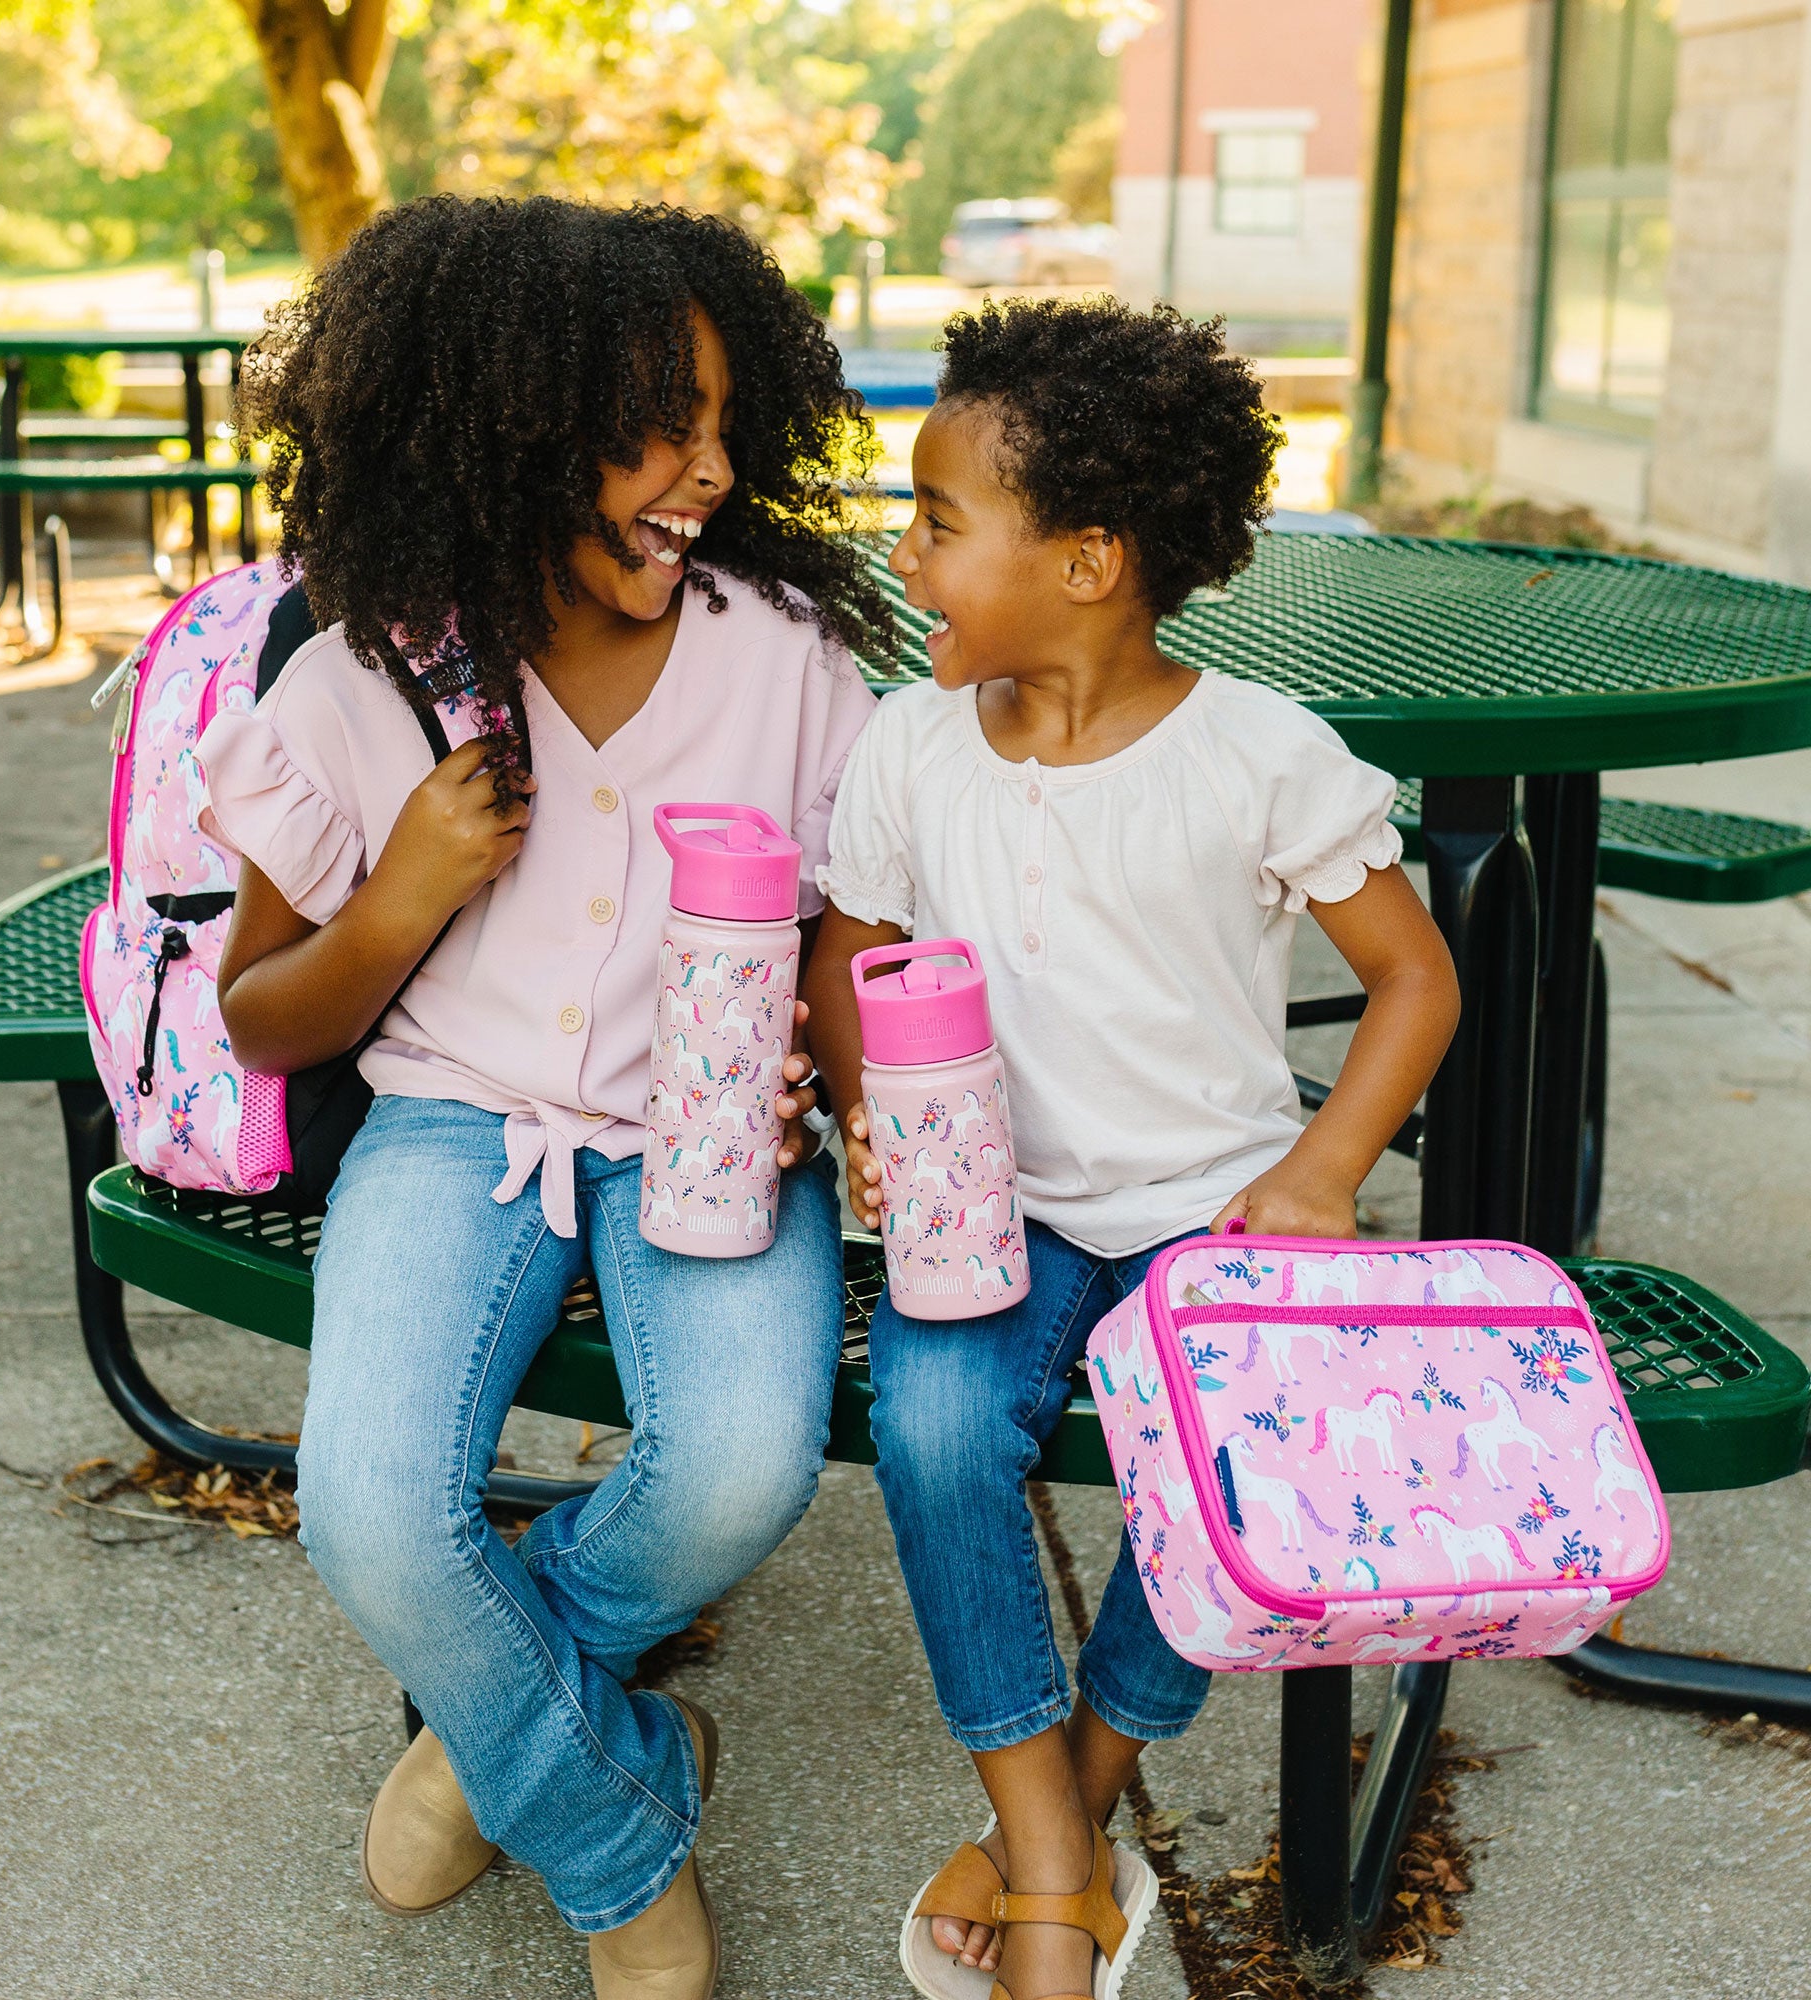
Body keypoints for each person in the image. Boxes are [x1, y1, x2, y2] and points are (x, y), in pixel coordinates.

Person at [200, 195, 896, 2000]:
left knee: (741, 1466)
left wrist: (853, 1072)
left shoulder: (782, 656)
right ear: (496, 435)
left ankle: (479, 1742)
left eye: (727, 424)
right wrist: (409, 891)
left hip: (720, 1124)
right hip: (455, 1121)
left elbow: (834, 927)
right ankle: (614, 1832)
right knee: (369, 1507)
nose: (710, 470)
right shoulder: (367, 679)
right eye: (655, 430)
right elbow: (266, 1019)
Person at [804, 297, 1461, 2000]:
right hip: (991, 1213)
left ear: (1088, 561)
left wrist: (1318, 1179)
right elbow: (846, 942)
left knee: (1226, 1475)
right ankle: (1049, 1846)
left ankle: (1058, 1830)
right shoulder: (910, 743)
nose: (906, 550)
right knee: (935, 1427)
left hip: (1211, 1221)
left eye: (939, 522)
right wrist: (867, 1100)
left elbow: (1415, 980)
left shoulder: (1259, 755)